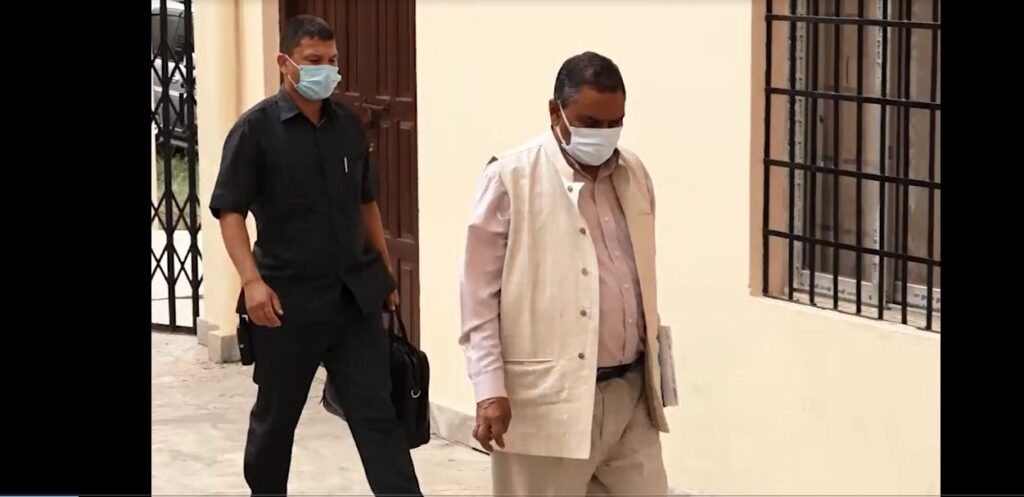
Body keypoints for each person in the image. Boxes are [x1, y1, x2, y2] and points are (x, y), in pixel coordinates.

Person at [209, 15, 422, 497]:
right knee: (276, 418)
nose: (326, 70)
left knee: (376, 414)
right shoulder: (255, 130)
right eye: (313, 61)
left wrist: (383, 270)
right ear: (285, 63)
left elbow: (367, 203)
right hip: (285, 303)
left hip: (353, 297)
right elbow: (230, 212)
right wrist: (251, 282)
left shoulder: (348, 124)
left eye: (332, 61)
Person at [459, 51, 670, 495]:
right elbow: (478, 298)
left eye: (614, 123)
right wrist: (489, 389)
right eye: (589, 122)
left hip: (630, 393)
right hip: (547, 401)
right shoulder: (511, 177)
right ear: (555, 111)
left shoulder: (633, 173)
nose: (603, 134)